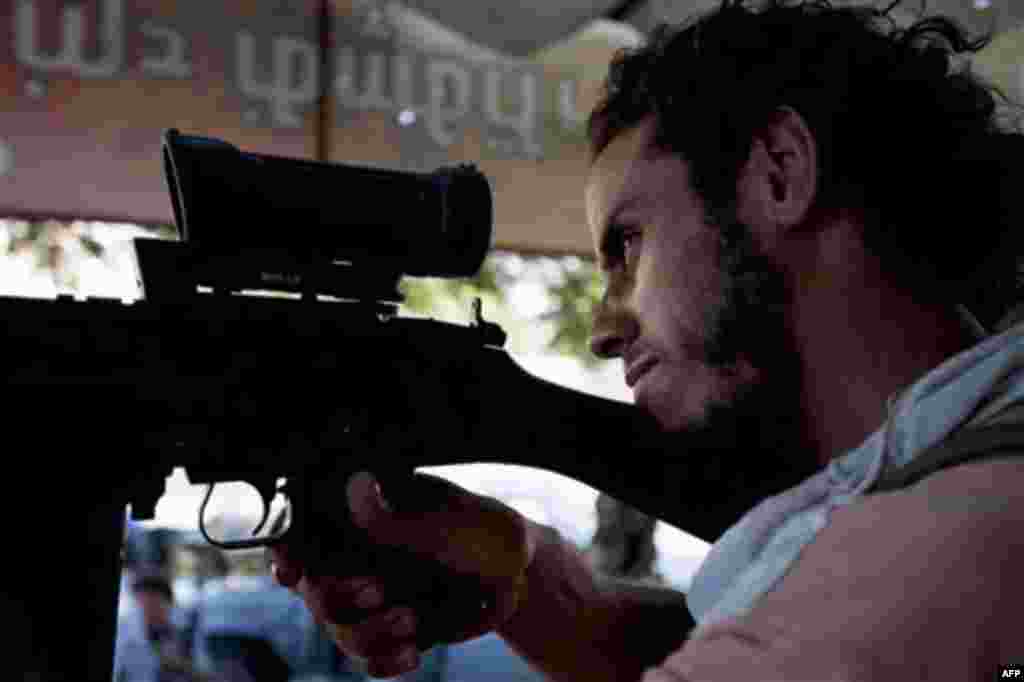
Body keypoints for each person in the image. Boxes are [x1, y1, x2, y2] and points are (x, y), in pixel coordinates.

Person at [269, 1, 1024, 679]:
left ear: (780, 171)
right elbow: (734, 630)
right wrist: (530, 577)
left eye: (628, 244)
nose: (601, 329)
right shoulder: (936, 492)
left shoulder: (950, 541)